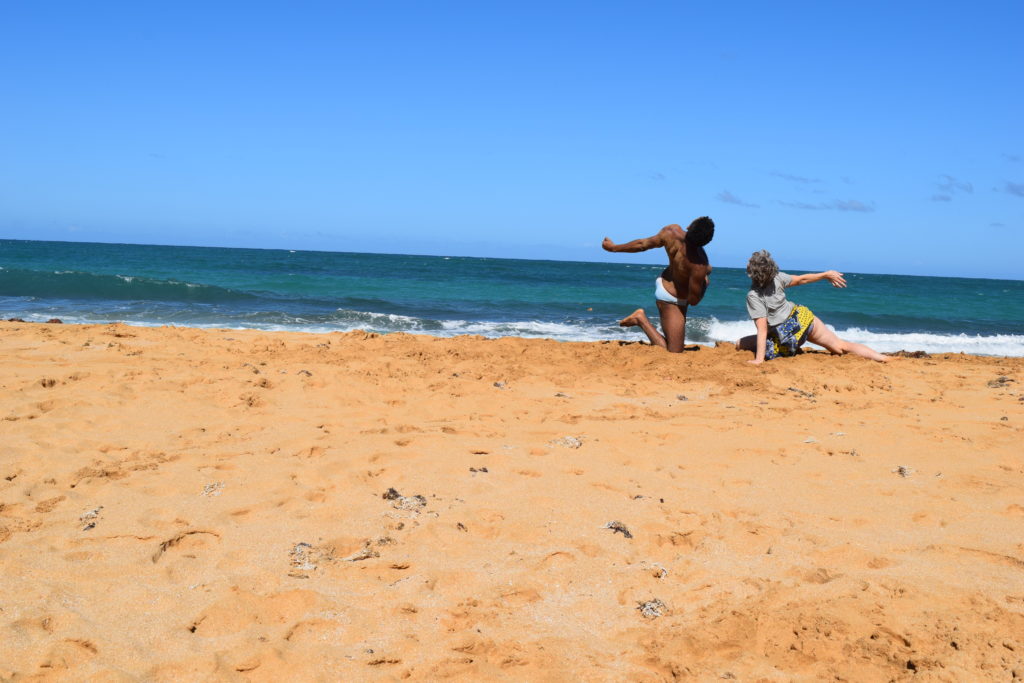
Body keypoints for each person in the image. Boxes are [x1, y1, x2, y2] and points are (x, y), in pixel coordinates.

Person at [737, 249, 888, 364]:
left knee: (739, 344)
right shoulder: (777, 277)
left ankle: (793, 348)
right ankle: (882, 358)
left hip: (788, 336)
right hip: (802, 319)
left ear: (752, 272)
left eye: (749, 262)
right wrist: (825, 274)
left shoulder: (753, 296)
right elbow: (802, 279)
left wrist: (758, 360)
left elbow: (762, 330)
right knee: (840, 346)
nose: (746, 263)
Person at [602, 217, 714, 353]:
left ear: (689, 226)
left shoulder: (671, 231)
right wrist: (705, 283)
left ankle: (642, 320)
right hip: (671, 299)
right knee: (674, 352)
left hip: (667, 283)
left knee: (675, 344)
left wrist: (613, 247)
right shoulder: (699, 264)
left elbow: (642, 244)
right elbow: (694, 300)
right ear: (707, 241)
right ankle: (640, 319)